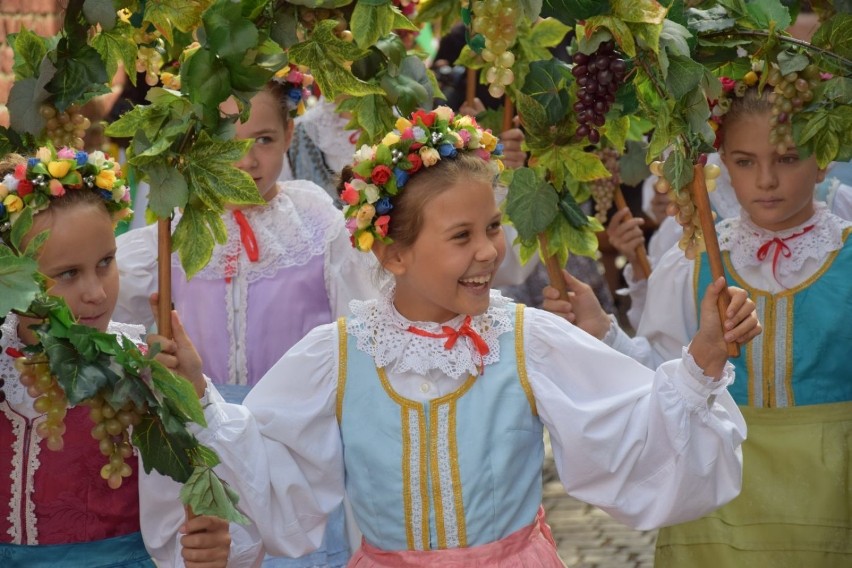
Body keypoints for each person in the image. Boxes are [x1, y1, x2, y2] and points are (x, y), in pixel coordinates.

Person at [150, 107, 760, 566]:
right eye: (461, 236)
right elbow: (272, 460)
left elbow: (628, 428)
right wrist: (200, 392)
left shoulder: (526, 339)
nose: (490, 251)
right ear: (393, 253)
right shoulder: (340, 353)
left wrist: (702, 360)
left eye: (492, 227)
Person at [591, 84, 852, 565]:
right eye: (745, 161)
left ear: (824, 160)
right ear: (722, 163)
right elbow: (660, 377)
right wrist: (604, 331)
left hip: (834, 495)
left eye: (788, 158)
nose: (766, 180)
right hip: (716, 498)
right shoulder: (692, 262)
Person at [115, 81, 371, 567]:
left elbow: (365, 325)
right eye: (227, 143)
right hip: (206, 451)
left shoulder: (318, 227)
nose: (248, 161)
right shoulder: (172, 237)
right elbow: (112, 313)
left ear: (290, 132)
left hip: (297, 453)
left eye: (264, 140)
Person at [0, 148, 228, 566]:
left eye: (106, 262)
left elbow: (193, 508)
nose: (97, 293)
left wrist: (200, 548)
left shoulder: (143, 370)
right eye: (67, 274)